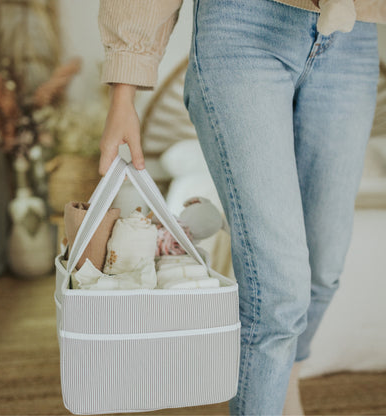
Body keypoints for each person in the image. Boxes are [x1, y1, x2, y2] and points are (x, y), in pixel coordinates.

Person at [97, 0, 385, 414]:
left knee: (323, 271)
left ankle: (286, 391)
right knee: (279, 293)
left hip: (354, 34)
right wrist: (124, 93)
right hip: (244, 26)